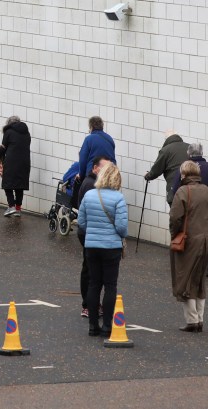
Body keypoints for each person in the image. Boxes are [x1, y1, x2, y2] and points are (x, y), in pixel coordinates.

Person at [77, 162, 128, 337]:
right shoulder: (118, 198)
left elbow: (81, 223)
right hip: (111, 247)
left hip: (91, 246)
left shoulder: (89, 195)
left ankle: (93, 326)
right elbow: (122, 227)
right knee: (110, 286)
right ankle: (107, 325)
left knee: (94, 284)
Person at [169, 160, 208, 332]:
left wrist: (174, 236)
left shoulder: (182, 191)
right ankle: (200, 319)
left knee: (185, 278)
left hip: (189, 240)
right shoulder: (206, 190)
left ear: (183, 174)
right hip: (205, 238)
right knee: (199, 279)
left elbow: (175, 218)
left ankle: (191, 320)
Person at [171, 142, 208, 277]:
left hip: (188, 209)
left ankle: (190, 266)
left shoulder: (183, 168)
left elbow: (175, 189)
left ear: (188, 154)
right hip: (207, 209)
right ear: (202, 152)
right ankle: (207, 267)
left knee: (188, 237)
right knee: (206, 236)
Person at [75, 155, 113, 319]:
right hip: (91, 234)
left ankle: (91, 304)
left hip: (90, 233)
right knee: (91, 271)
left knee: (91, 270)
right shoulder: (91, 185)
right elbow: (85, 214)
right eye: (104, 167)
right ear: (95, 168)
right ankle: (88, 305)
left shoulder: (92, 183)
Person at [0, 116, 32, 217]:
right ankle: (18, 209)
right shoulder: (27, 133)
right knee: (19, 186)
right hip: (25, 163)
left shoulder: (9, 132)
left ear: (9, 124)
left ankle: (11, 206)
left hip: (11, 163)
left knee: (7, 184)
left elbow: (2, 149)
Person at [145, 130, 190, 205]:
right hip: (191, 188)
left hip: (174, 188)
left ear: (166, 139)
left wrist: (148, 176)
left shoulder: (165, 150)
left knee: (176, 214)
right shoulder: (189, 147)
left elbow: (157, 170)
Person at [76, 116, 116, 182]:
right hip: (108, 176)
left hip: (93, 177)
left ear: (91, 127)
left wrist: (81, 175)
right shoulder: (110, 139)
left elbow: (83, 160)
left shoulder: (89, 139)